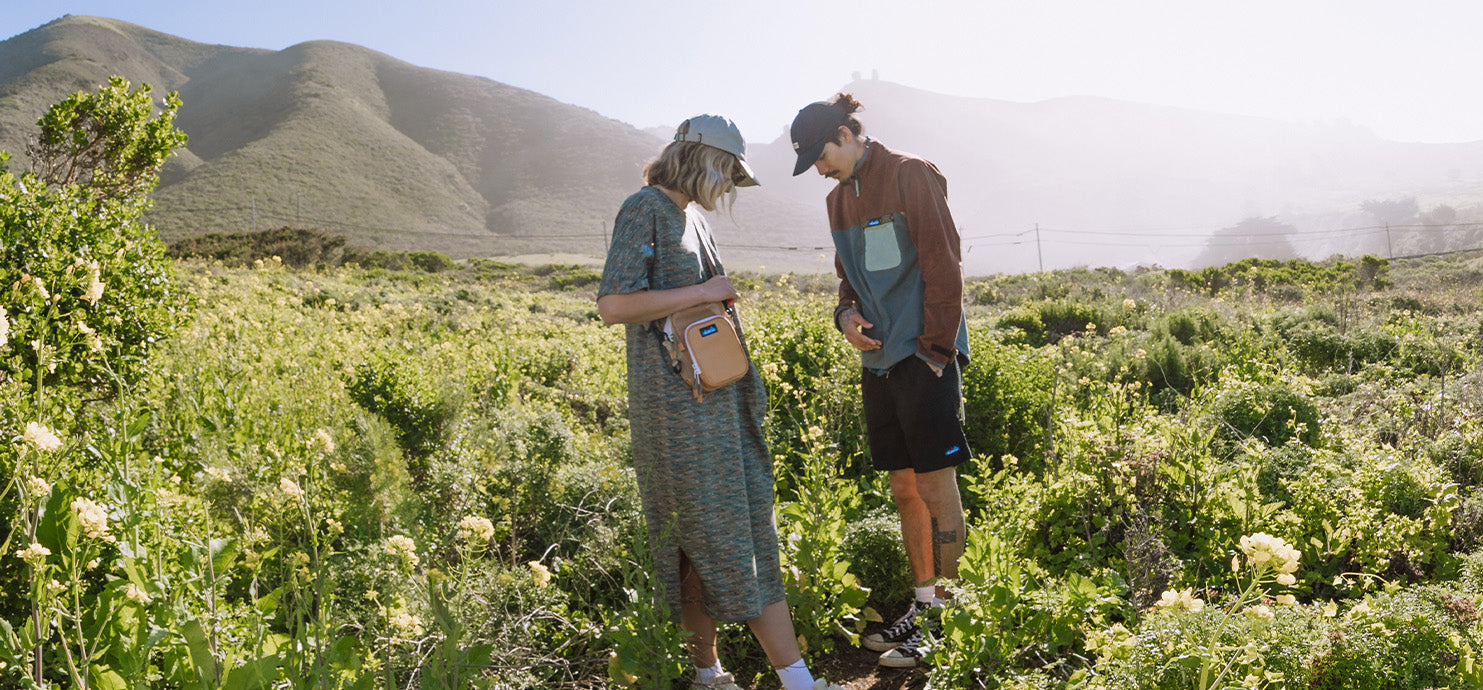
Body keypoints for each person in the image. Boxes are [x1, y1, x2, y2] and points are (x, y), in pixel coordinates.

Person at [597, 114, 842, 690]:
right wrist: (705, 290)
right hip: (677, 412)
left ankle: (708, 674)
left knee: (701, 537)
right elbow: (613, 305)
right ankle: (798, 682)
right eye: (729, 172)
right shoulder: (645, 208)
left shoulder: (691, 216)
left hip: (711, 404)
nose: (731, 185)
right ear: (704, 161)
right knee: (726, 534)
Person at [788, 94, 972, 669]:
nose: (820, 170)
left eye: (821, 156)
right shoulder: (837, 200)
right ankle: (924, 604)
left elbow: (945, 263)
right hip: (879, 363)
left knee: (936, 487)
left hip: (925, 354)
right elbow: (848, 283)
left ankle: (950, 622)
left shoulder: (911, 174)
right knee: (904, 488)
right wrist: (845, 316)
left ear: (846, 134)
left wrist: (936, 352)